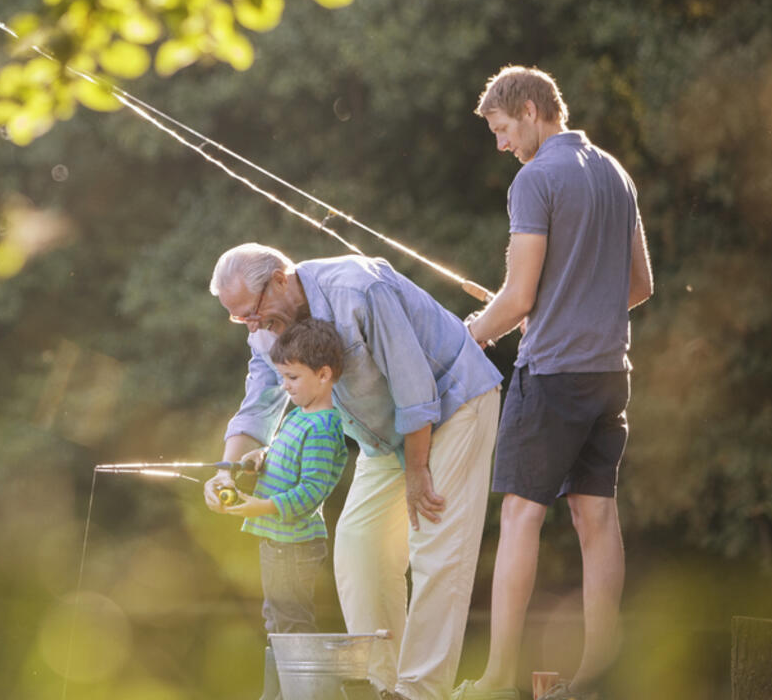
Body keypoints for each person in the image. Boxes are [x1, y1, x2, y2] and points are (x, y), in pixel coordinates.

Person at [206, 244, 503, 700]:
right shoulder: (266, 328)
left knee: (435, 543)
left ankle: (420, 691)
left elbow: (414, 385)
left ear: (281, 279)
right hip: (385, 434)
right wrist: (227, 469)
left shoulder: (359, 289)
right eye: (238, 318)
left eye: (253, 311)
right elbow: (262, 394)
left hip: (452, 403)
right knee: (358, 545)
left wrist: (418, 470)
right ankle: (383, 685)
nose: (251, 325)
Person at [452, 67, 653, 700]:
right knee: (598, 520)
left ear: (535, 110)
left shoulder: (535, 179)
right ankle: (596, 678)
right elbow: (640, 286)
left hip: (552, 376)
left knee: (518, 516)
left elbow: (515, 300)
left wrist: (470, 334)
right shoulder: (616, 173)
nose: (501, 144)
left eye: (504, 129)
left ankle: (497, 678)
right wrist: (568, 303)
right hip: (610, 374)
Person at [219, 317, 350, 700]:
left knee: (293, 625)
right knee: (276, 622)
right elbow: (282, 455)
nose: (285, 386)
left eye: (292, 377)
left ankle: (303, 695)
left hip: (295, 547)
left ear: (324, 374)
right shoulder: (297, 415)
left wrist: (260, 507)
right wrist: (260, 457)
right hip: (275, 543)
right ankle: (276, 695)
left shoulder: (324, 427)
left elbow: (311, 492)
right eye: (282, 376)